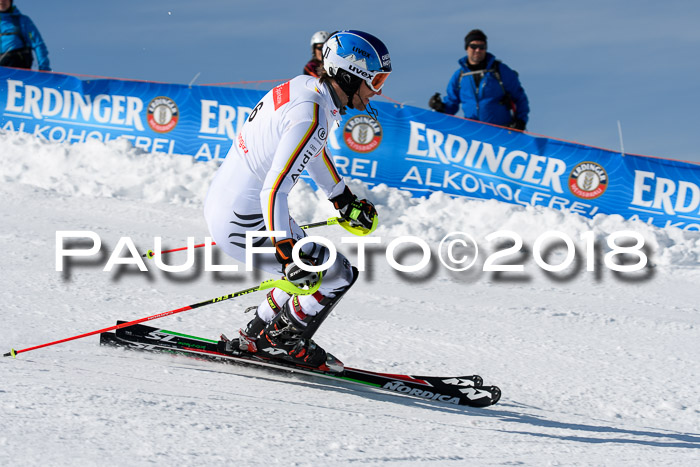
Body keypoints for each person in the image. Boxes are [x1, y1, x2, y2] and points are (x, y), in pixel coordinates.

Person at [204, 30, 392, 371]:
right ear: (350, 75)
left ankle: (257, 333)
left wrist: (342, 199)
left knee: (314, 265)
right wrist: (285, 250)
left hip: (235, 206)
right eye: (375, 80)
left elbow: (311, 148)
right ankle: (283, 341)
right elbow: (274, 189)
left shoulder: (308, 90)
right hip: (245, 218)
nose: (378, 90)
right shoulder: (313, 114)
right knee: (336, 274)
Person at [429, 29, 528, 130]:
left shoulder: (500, 71)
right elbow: (452, 104)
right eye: (473, 46)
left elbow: (519, 97)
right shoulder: (460, 76)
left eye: (482, 47)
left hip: (501, 132)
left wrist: (520, 120)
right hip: (474, 135)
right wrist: (440, 107)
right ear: (466, 48)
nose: (478, 50)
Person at [0, 0, 50, 71]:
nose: (2, 1)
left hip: (17, 67)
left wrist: (44, 68)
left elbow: (38, 44)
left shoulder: (22, 21)